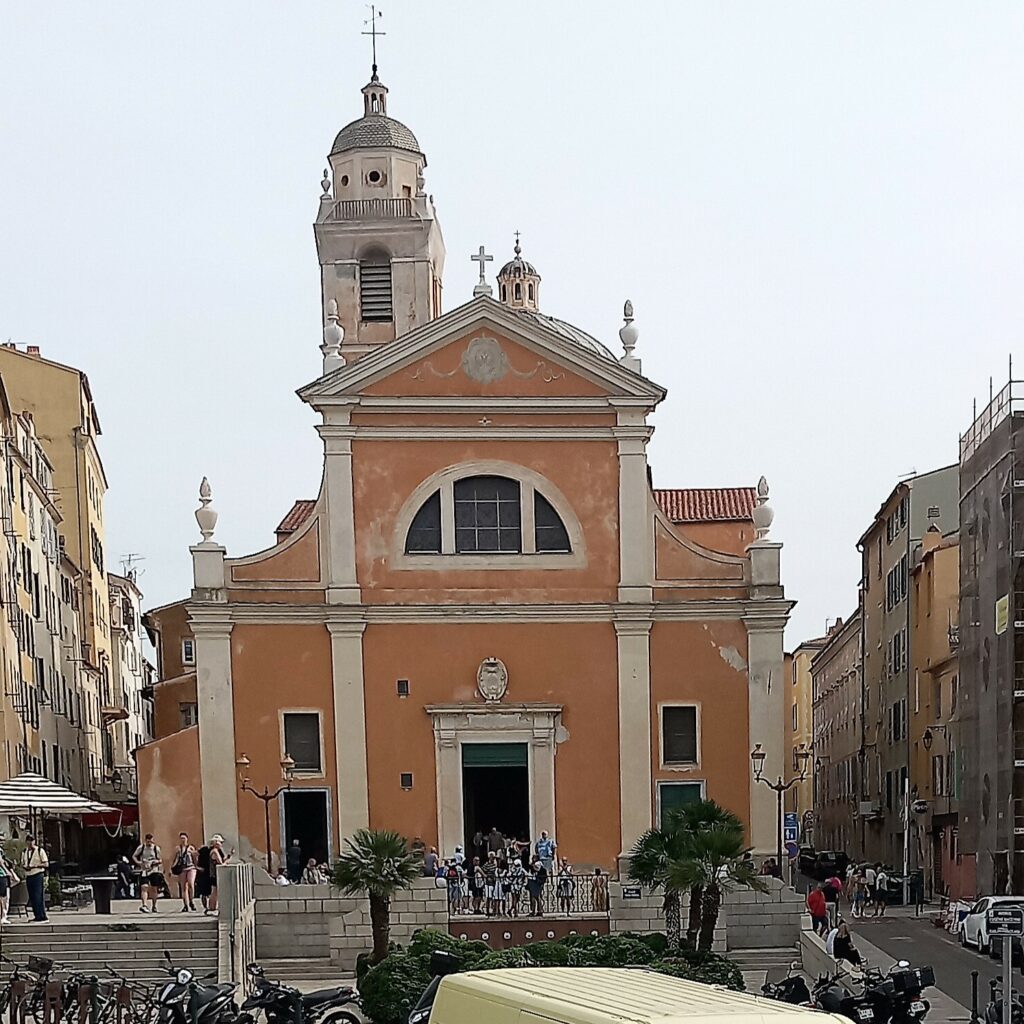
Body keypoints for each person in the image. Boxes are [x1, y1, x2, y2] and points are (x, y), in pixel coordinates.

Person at [133, 833, 162, 914]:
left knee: (154, 888)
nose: (149, 843)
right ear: (146, 840)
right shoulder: (141, 848)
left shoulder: (156, 848)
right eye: (148, 841)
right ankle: (144, 905)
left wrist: (155, 862)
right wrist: (139, 863)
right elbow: (134, 856)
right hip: (144, 870)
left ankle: (154, 905)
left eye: (151, 841)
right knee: (144, 887)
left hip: (154, 870)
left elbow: (160, 860)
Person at [172, 833, 198, 912]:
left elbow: (195, 858)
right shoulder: (178, 848)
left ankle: (191, 900)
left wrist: (197, 866)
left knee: (190, 883)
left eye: (184, 838)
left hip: (191, 867)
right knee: (183, 887)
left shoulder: (191, 847)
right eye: (181, 838)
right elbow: (175, 859)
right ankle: (186, 904)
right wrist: (172, 867)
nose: (183, 840)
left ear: (187, 838)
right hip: (182, 869)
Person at [207, 834, 229, 914]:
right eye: (220, 843)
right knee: (214, 892)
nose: (221, 844)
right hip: (215, 874)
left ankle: (212, 907)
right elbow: (221, 863)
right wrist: (226, 862)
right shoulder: (215, 852)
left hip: (213, 874)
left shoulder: (214, 851)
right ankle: (212, 908)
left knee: (214, 891)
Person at [0, 838, 18, 924]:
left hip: (4, 875)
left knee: (4, 896)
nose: (2, 842)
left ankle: (3, 915)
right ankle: (3, 916)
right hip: (2, 875)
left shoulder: (3, 852)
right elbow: (0, 862)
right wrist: (7, 871)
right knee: (3, 897)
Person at [483, 851, 502, 917]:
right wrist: (486, 876)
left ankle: (494, 910)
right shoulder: (486, 864)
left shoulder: (496, 865)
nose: (493, 858)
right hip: (488, 883)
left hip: (495, 883)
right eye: (491, 856)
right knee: (488, 897)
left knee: (495, 898)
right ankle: (488, 910)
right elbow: (483, 870)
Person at [195, 842, 212, 912]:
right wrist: (196, 865)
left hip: (208, 872)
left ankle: (209, 906)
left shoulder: (216, 850)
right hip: (203, 872)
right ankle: (206, 907)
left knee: (209, 892)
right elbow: (194, 853)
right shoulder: (204, 849)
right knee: (204, 892)